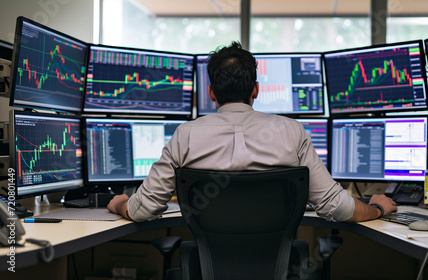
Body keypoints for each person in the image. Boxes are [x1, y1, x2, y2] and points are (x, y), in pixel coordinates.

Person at [108, 41, 397, 222]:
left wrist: (121, 203)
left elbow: (141, 210)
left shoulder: (185, 136)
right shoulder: (291, 132)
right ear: (256, 90)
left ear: (211, 92)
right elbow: (339, 209)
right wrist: (378, 208)